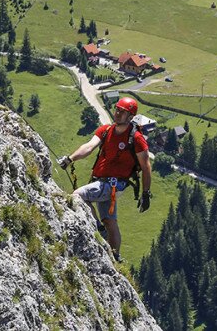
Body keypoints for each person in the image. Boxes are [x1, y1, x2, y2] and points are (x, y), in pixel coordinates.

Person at [58, 96, 152, 262]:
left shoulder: (136, 139)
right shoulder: (106, 130)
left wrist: (146, 193)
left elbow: (146, 167)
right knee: (110, 221)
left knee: (78, 195)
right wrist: (70, 159)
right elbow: (89, 146)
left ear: (130, 117)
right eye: (117, 109)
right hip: (103, 182)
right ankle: (115, 256)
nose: (117, 113)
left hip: (113, 184)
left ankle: (96, 227)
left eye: (122, 112)